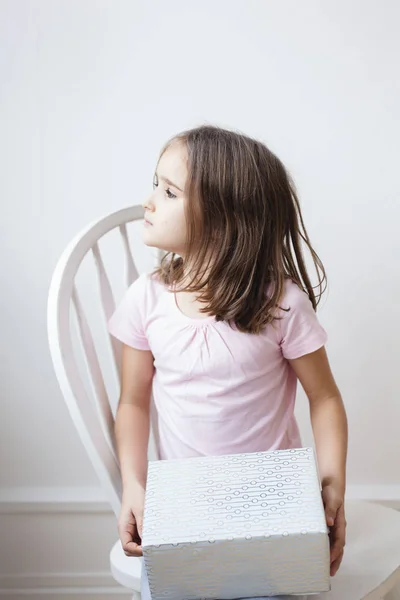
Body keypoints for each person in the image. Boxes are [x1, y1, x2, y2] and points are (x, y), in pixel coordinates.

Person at [108, 125, 348, 600]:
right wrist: (135, 487)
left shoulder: (280, 304)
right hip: (184, 507)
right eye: (155, 184)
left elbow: (325, 398)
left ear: (223, 218)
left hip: (270, 506)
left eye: (169, 192)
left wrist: (332, 484)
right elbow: (133, 403)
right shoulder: (146, 300)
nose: (149, 202)